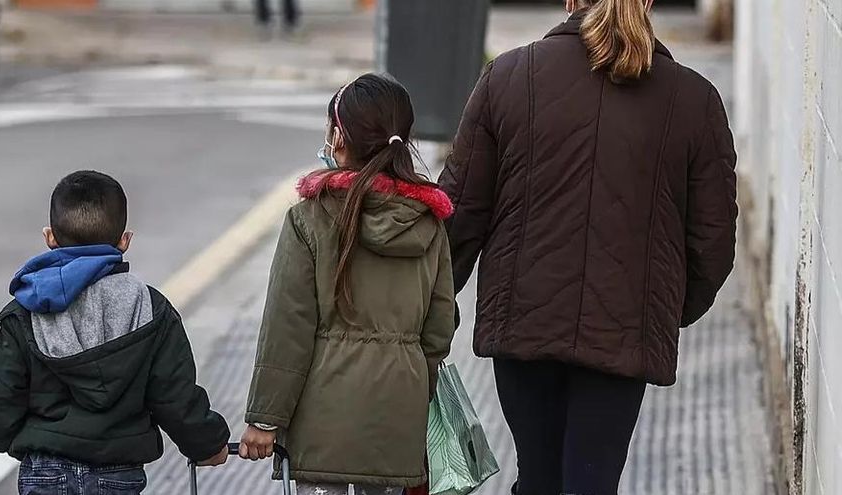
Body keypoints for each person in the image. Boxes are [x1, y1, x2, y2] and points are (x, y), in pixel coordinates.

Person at [440, 0, 738, 493]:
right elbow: (713, 241)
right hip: (624, 330)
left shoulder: (508, 77)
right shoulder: (694, 99)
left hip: (523, 324)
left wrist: (432, 303)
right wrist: (662, 311)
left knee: (537, 477)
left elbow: (461, 212)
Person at [238, 73, 456, 495]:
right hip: (399, 416)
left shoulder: (310, 218)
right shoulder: (429, 222)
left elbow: (289, 327)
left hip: (324, 419)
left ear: (338, 137)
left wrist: (265, 418)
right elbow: (440, 327)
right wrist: (412, 385)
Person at [0, 170, 231, 494]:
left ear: (50, 237)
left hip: (46, 471)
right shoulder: (150, 309)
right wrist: (208, 445)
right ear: (124, 240)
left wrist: (7, 438)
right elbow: (175, 396)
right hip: (118, 475)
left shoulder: (26, 310)